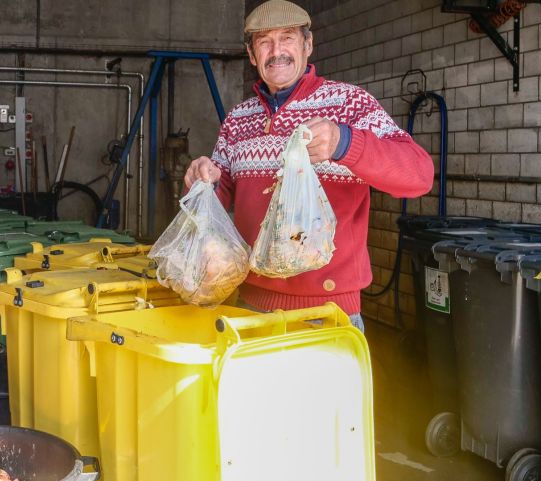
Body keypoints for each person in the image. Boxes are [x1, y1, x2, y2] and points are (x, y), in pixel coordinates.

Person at [184, 0, 433, 330]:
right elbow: (220, 198)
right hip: (249, 306)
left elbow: (419, 176)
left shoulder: (348, 104)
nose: (277, 51)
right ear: (252, 54)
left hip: (326, 312)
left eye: (287, 38)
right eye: (264, 42)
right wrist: (205, 181)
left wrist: (344, 142)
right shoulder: (237, 119)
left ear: (308, 44)